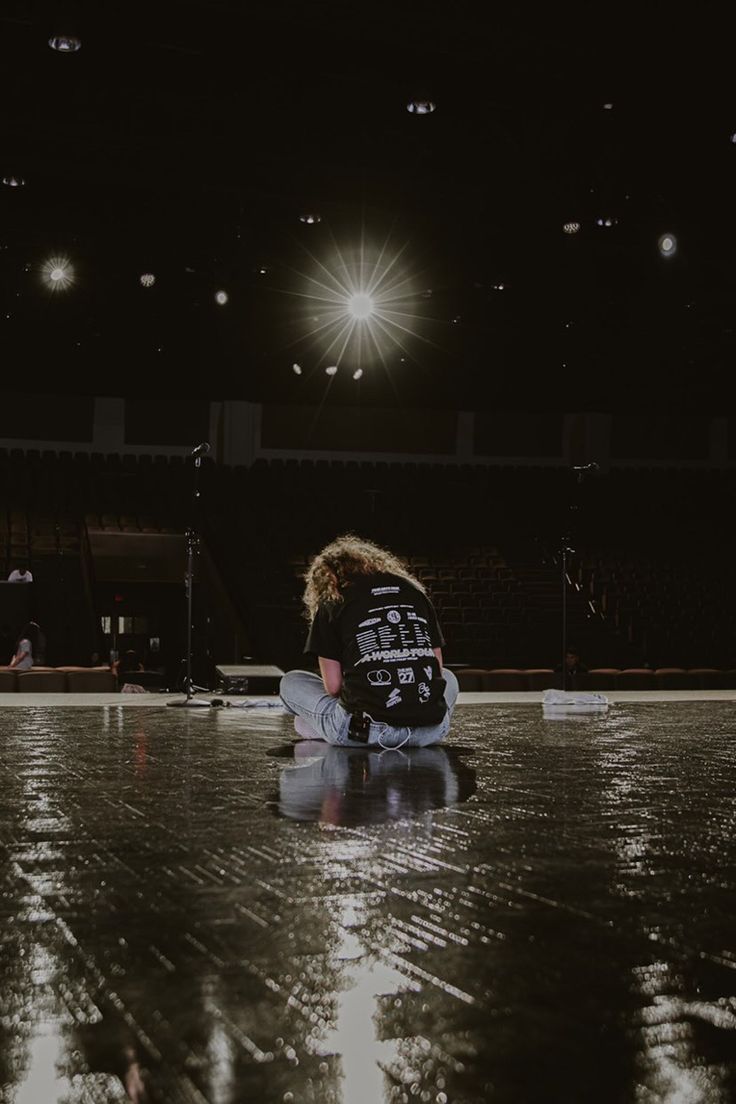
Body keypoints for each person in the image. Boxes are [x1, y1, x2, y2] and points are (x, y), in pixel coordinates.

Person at [279, 534, 459, 749]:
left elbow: (334, 688)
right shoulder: (416, 593)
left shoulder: (332, 599)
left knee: (290, 682)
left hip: (363, 733)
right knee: (450, 677)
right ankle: (323, 726)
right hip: (428, 731)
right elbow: (436, 670)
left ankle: (321, 727)